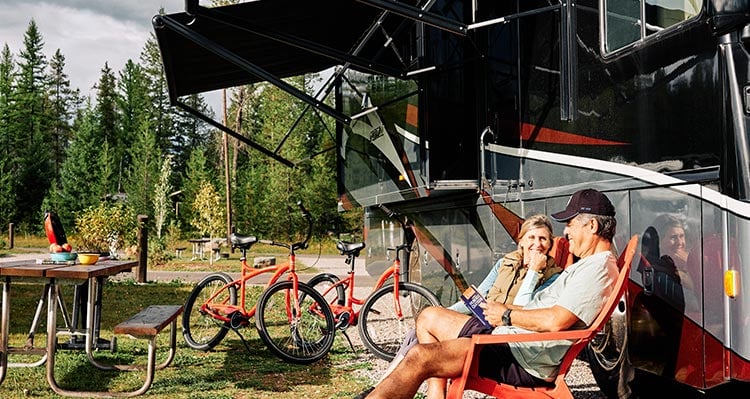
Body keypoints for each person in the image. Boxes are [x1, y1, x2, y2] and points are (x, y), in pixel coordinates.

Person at [360, 188, 619, 399]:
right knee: (428, 317)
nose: (566, 232)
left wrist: (505, 315)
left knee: (420, 357)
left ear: (592, 225)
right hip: (510, 341)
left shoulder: (596, 269)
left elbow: (556, 321)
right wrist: (502, 312)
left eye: (570, 224)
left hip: (519, 356)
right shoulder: (591, 266)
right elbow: (547, 313)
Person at [372, 215, 563, 390]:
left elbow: (525, 309)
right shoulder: (505, 262)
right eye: (532, 237)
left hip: (506, 337)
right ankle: (388, 385)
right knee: (419, 330)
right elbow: (479, 293)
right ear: (520, 241)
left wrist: (534, 271)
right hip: (484, 323)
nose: (537, 244)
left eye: (543, 239)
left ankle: (387, 389)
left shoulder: (552, 277)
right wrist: (446, 312)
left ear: (550, 244)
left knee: (426, 329)